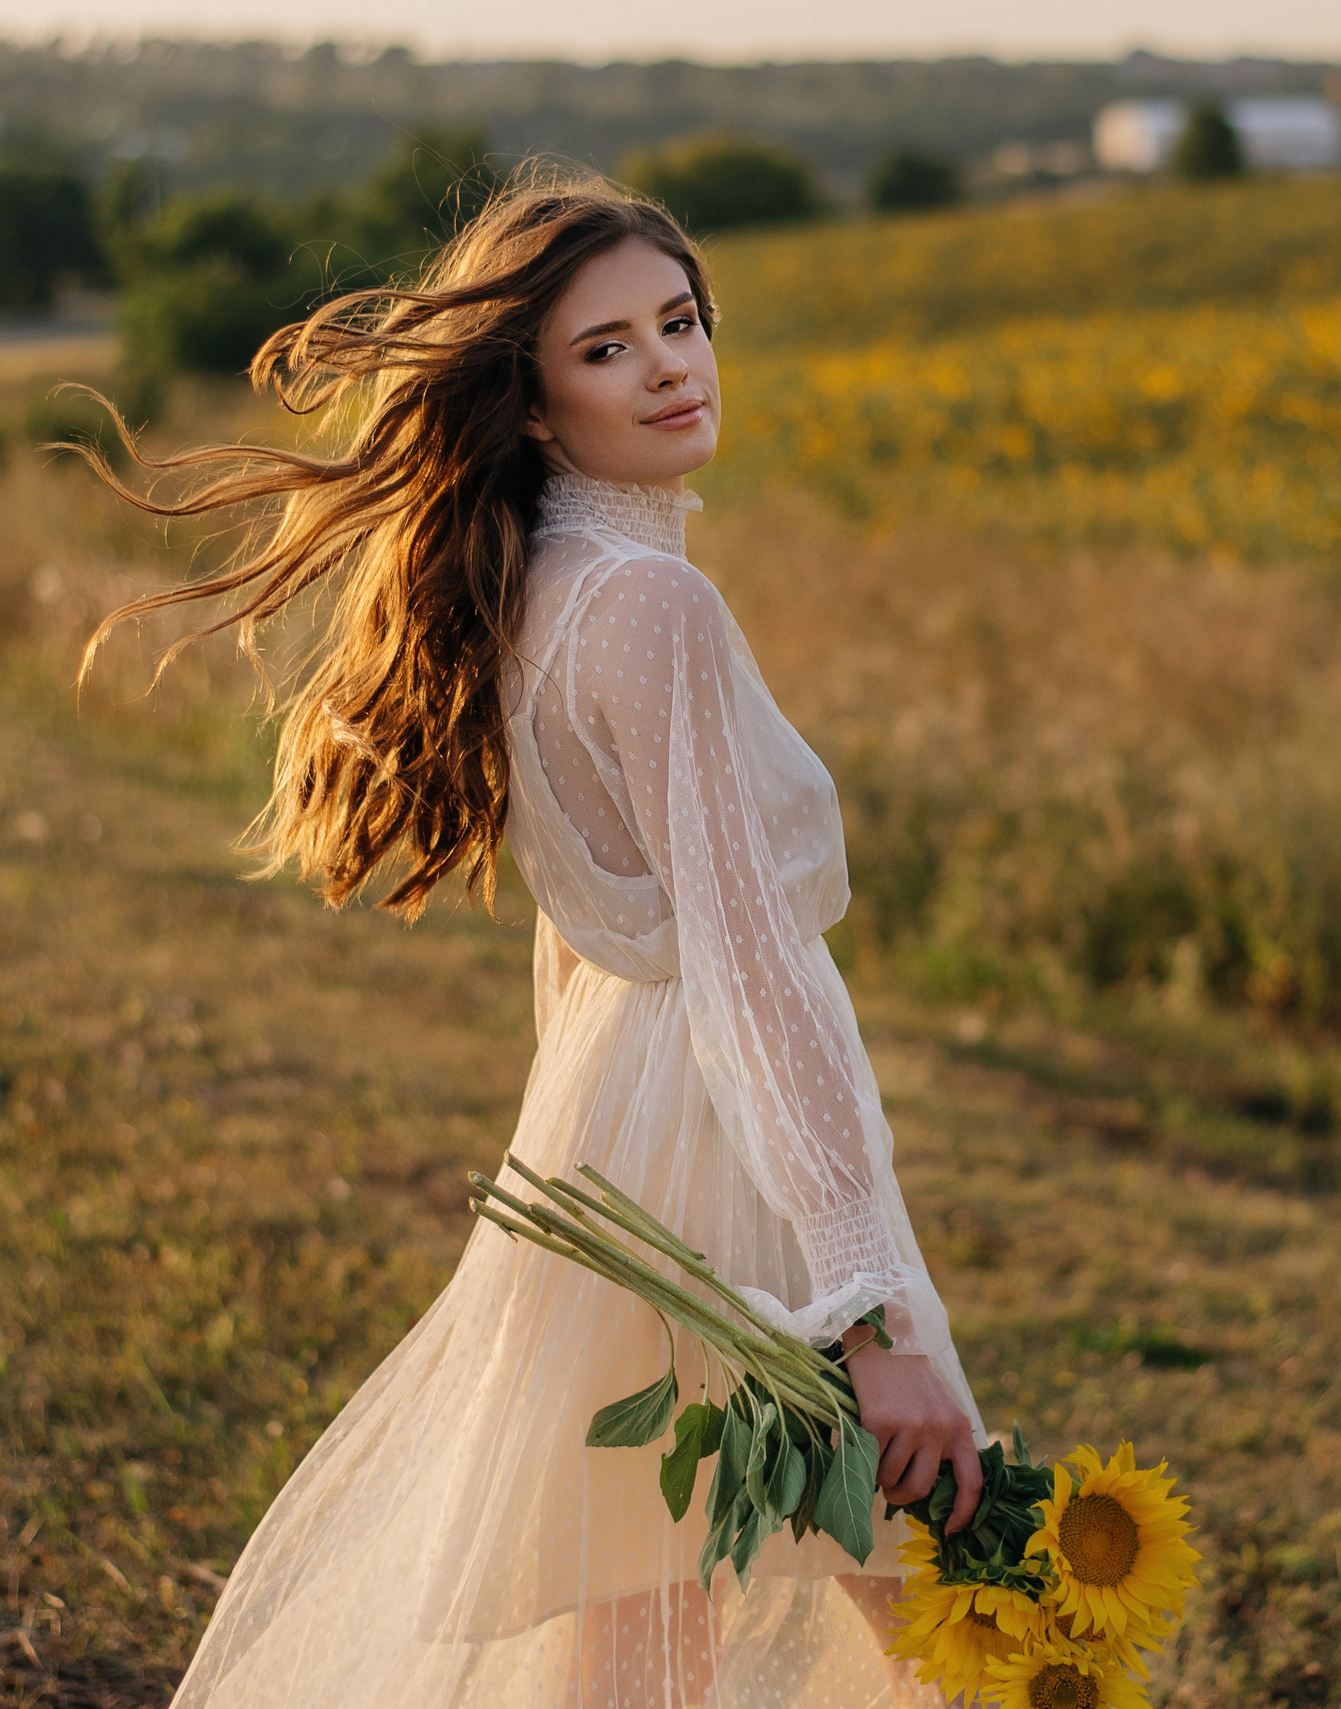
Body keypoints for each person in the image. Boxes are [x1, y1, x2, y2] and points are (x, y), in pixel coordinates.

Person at [72, 177, 983, 1707]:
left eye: (681, 324)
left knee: (644, 1621)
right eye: (609, 348)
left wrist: (587, 1145)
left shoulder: (544, 587)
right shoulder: (649, 609)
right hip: (715, 1139)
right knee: (948, 1594)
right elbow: (750, 971)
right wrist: (869, 1305)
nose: (673, 367)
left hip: (617, 1136)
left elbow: (582, 938)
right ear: (540, 406)